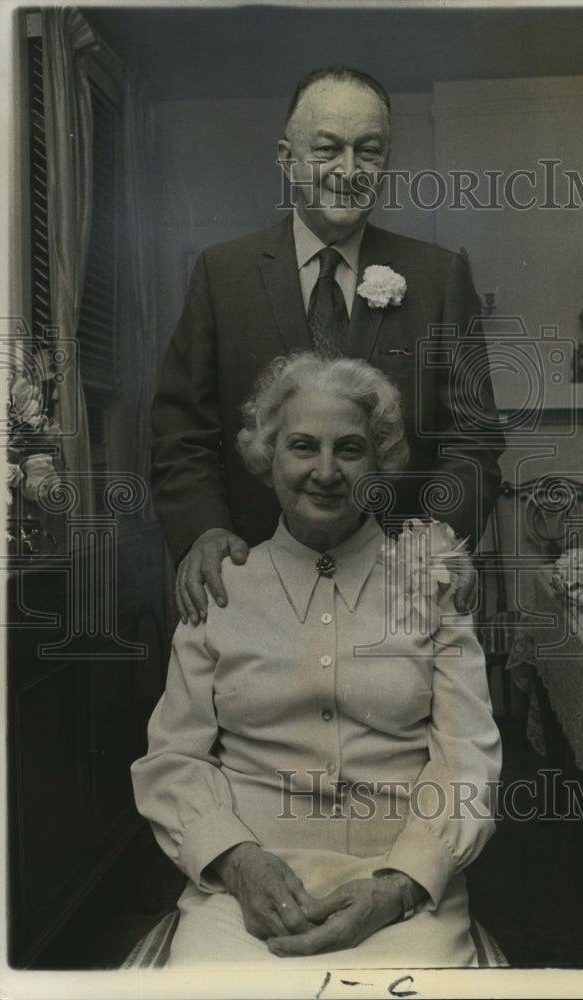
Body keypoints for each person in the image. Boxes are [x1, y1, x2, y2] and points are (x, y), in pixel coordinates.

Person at [132, 353, 502, 966]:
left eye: (350, 449)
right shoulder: (221, 587)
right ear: (267, 456)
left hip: (400, 879)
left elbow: (468, 764)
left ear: (379, 460)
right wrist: (240, 863)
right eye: (303, 446)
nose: (325, 472)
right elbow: (173, 760)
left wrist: (400, 885)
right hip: (245, 882)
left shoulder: (433, 584)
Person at [149, 66, 504, 626]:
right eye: (327, 149)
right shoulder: (223, 273)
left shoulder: (439, 278)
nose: (348, 170)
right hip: (252, 585)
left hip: (399, 589)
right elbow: (182, 431)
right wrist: (205, 530)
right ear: (286, 158)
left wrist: (434, 536)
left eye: (369, 151)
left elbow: (473, 437)